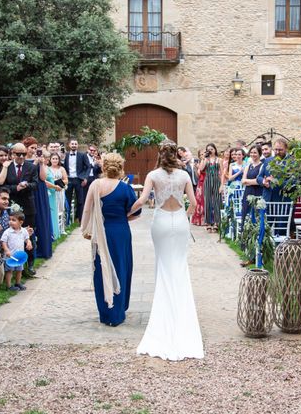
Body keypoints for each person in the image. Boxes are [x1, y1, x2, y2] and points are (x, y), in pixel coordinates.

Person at [131, 140, 204, 361]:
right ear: (176, 154)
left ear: (160, 154)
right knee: (179, 266)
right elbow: (193, 203)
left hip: (161, 222)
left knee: (163, 265)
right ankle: (182, 315)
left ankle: (164, 315)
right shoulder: (183, 176)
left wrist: (126, 213)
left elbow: (143, 200)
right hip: (179, 221)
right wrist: (186, 218)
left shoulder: (153, 175)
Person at [81, 153, 140, 327]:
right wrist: (121, 217)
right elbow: (135, 214)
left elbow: (87, 210)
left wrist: (85, 229)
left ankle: (106, 313)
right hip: (120, 232)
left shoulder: (95, 185)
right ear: (120, 167)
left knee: (101, 269)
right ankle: (118, 312)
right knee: (121, 267)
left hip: (101, 231)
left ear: (103, 167)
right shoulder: (125, 188)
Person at [2, 143, 39, 275]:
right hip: (12, 204)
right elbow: (3, 185)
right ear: (12, 154)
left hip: (28, 206)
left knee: (29, 234)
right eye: (18, 154)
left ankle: (29, 264)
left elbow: (36, 184)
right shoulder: (7, 167)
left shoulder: (32, 167)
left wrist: (26, 185)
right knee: (12, 235)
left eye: (23, 154)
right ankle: (11, 264)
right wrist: (15, 188)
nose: (21, 157)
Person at [1, 210, 32, 291]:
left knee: (19, 270)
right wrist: (7, 250)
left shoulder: (24, 231)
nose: (10, 222)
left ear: (21, 222)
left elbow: (27, 239)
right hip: (10, 256)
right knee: (9, 271)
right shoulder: (7, 232)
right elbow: (3, 242)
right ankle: (8, 286)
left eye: (13, 220)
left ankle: (18, 283)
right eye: (10, 219)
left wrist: (29, 243)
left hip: (19, 256)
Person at [63, 139, 91, 222]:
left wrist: (85, 177)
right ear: (69, 145)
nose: (74, 145)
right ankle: (67, 221)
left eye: (75, 144)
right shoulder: (66, 155)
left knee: (80, 201)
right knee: (67, 200)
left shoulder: (82, 155)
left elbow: (88, 166)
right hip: (68, 180)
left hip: (79, 180)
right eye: (72, 144)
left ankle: (81, 220)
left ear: (77, 145)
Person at [199, 143, 222, 232]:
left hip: (216, 180)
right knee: (207, 201)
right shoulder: (206, 159)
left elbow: (222, 173)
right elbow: (201, 169)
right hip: (207, 180)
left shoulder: (219, 159)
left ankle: (217, 222)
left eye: (212, 149)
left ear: (215, 150)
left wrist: (222, 185)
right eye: (208, 149)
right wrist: (204, 158)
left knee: (217, 201)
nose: (210, 151)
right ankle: (208, 223)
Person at [240, 145, 263, 231]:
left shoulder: (262, 166)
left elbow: (258, 181)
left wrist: (248, 181)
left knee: (256, 214)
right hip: (248, 192)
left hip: (257, 192)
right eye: (251, 152)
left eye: (255, 152)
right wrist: (252, 181)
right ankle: (244, 236)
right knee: (245, 213)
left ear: (259, 154)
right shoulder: (248, 166)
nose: (253, 154)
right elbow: (242, 181)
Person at [48, 152, 69, 231]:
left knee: (61, 208)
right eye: (53, 158)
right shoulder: (48, 169)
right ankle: (54, 228)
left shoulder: (61, 169)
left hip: (60, 191)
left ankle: (62, 228)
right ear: (50, 159)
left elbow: (66, 180)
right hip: (51, 191)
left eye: (56, 159)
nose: (55, 160)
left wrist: (60, 183)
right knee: (53, 208)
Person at [191, 149, 206, 226]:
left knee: (205, 200)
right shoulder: (200, 162)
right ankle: (198, 219)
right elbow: (198, 175)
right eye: (201, 154)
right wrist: (196, 168)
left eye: (204, 153)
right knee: (199, 200)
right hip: (200, 182)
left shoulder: (207, 161)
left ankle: (205, 219)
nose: (202, 155)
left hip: (207, 182)